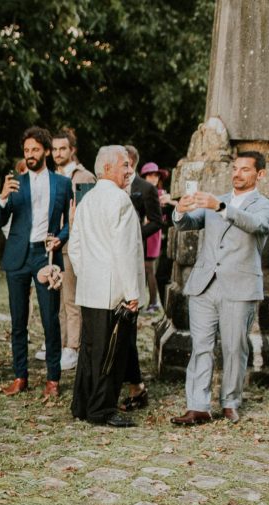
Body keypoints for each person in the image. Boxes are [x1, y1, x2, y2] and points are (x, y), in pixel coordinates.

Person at [170, 151, 269, 426]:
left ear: (260, 174)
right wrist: (179, 211)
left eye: (245, 169)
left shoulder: (267, 206)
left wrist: (220, 207)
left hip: (239, 286)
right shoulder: (216, 200)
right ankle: (198, 406)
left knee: (234, 348)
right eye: (235, 168)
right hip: (205, 285)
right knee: (201, 346)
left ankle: (230, 401)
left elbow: (257, 225)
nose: (237, 174)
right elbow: (187, 224)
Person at [68, 145, 144, 428]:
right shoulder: (120, 201)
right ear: (108, 168)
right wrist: (133, 294)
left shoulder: (87, 200)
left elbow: (74, 246)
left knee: (90, 350)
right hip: (114, 291)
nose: (129, 170)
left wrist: (87, 273)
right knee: (112, 353)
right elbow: (124, 251)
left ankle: (82, 404)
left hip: (90, 288)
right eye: (124, 165)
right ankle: (102, 410)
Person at [0, 126, 72, 397]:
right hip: (17, 254)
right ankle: (20, 376)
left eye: (35, 150)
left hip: (45, 256)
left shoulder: (62, 184)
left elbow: (70, 222)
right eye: (26, 150)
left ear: (46, 152)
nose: (29, 154)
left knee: (50, 320)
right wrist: (3, 197)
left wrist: (60, 238)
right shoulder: (14, 182)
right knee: (18, 321)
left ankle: (53, 378)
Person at [117, 145, 162, 411]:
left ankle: (135, 383)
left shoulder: (145, 188)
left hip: (134, 256)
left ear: (131, 162)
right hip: (112, 259)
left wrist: (134, 234)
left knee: (128, 323)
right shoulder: (112, 187)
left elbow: (156, 221)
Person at [49, 128, 97, 371]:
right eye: (55, 149)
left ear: (72, 151)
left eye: (62, 149)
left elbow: (87, 215)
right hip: (53, 246)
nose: (58, 153)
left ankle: (73, 348)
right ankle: (61, 343)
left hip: (73, 246)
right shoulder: (52, 176)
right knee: (57, 299)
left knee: (71, 299)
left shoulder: (83, 177)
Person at [139, 162, 169, 312]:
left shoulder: (160, 194)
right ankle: (146, 301)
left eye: (156, 175)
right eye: (150, 175)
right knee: (145, 268)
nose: (154, 178)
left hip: (152, 234)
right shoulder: (145, 192)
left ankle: (153, 302)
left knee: (149, 267)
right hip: (144, 232)